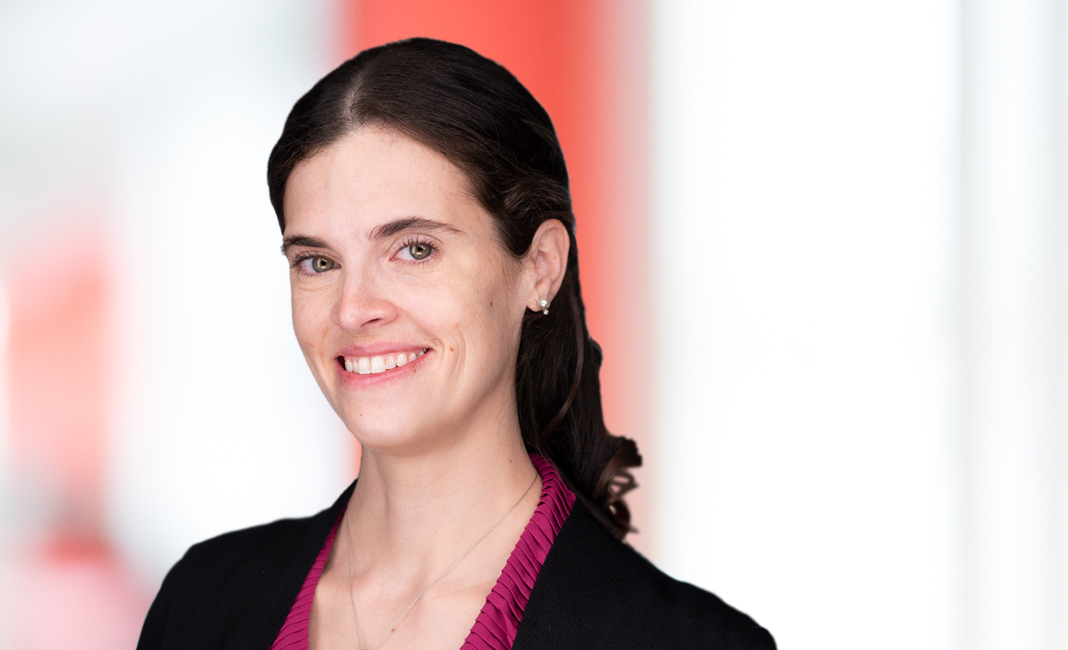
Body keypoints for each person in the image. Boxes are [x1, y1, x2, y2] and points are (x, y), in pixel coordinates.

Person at [133, 38, 773, 650]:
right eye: (317, 262)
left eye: (415, 249)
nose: (354, 309)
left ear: (540, 266)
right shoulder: (201, 600)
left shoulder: (688, 645)